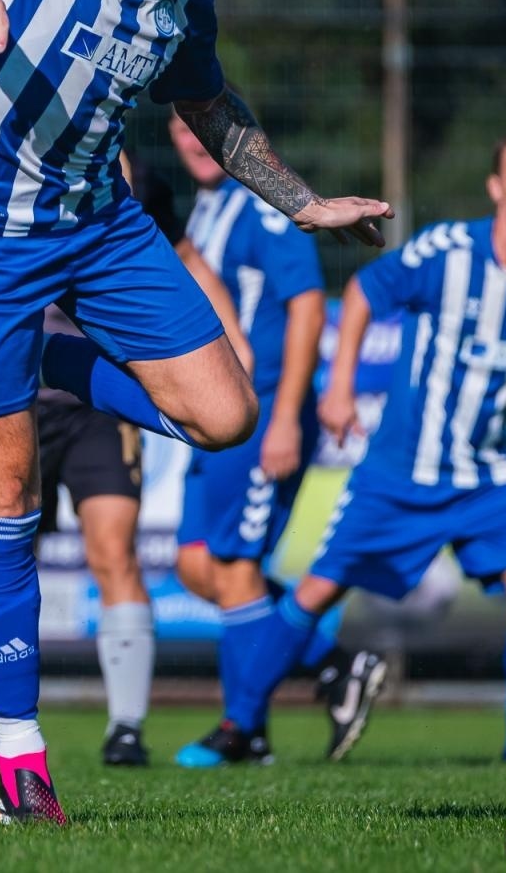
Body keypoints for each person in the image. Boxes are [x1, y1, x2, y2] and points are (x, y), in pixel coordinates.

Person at [0, 0, 391, 821]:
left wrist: (304, 203)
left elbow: (209, 105)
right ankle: (18, 750)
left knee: (226, 415)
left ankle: (41, 363)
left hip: (100, 228)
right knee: (4, 485)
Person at [221, 127, 506, 763]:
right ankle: (240, 727)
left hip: (493, 472)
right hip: (403, 469)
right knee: (316, 591)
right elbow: (367, 292)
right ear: (496, 188)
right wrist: (340, 387)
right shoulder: (449, 252)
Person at [0, 155, 250, 770]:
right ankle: (6, 729)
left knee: (113, 551)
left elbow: (187, 260)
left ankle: (125, 726)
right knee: (4, 542)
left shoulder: (127, 189)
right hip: (15, 398)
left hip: (97, 405)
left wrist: (228, 342)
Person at [164, 111, 378, 766]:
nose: (193, 141)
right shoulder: (201, 211)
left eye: (201, 127)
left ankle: (244, 727)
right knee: (198, 566)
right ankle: (334, 661)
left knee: (232, 567)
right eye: (179, 130)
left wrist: (285, 417)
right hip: (218, 418)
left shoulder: (262, 206)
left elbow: (309, 305)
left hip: (261, 416)